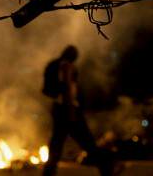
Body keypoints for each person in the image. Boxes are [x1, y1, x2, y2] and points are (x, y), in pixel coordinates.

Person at [42, 45, 116, 176]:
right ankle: (105, 169)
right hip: (67, 108)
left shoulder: (55, 65)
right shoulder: (66, 66)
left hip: (61, 109)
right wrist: (71, 111)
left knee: (58, 143)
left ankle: (49, 172)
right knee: (86, 142)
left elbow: (52, 89)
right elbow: (67, 88)